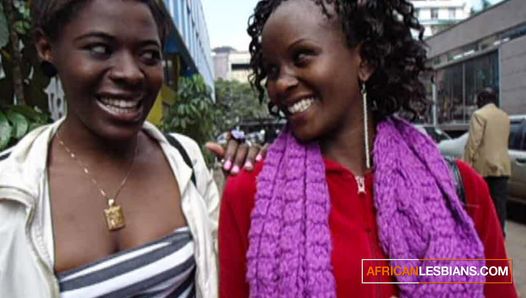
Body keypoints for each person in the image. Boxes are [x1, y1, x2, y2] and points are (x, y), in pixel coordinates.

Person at [219, 0, 517, 297]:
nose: (281, 83)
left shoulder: (460, 189)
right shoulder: (249, 193)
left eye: (301, 57)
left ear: (364, 62)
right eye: (272, 70)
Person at [0, 1, 259, 297]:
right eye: (100, 49)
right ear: (46, 47)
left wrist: (252, 188)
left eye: (148, 55)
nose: (131, 73)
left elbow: (228, 274)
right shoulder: (9, 193)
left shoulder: (185, 162)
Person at [464, 88, 511, 233]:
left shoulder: (479, 115)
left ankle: (485, 236)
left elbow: (473, 144)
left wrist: (465, 167)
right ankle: (500, 235)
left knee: (483, 205)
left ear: (483, 100)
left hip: (483, 169)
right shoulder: (505, 116)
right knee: (500, 206)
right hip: (503, 168)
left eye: (478, 100)